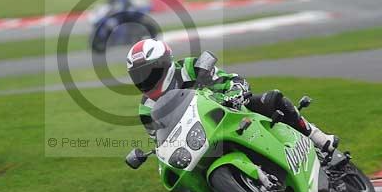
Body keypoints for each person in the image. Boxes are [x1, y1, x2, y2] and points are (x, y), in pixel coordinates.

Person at [126, 38, 339, 157]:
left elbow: (232, 80)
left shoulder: (190, 67)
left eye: (149, 72)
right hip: (202, 140)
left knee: (273, 100)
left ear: (165, 63)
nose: (145, 80)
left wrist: (235, 94)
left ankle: (319, 139)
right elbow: (160, 139)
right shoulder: (147, 108)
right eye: (138, 76)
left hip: (232, 112)